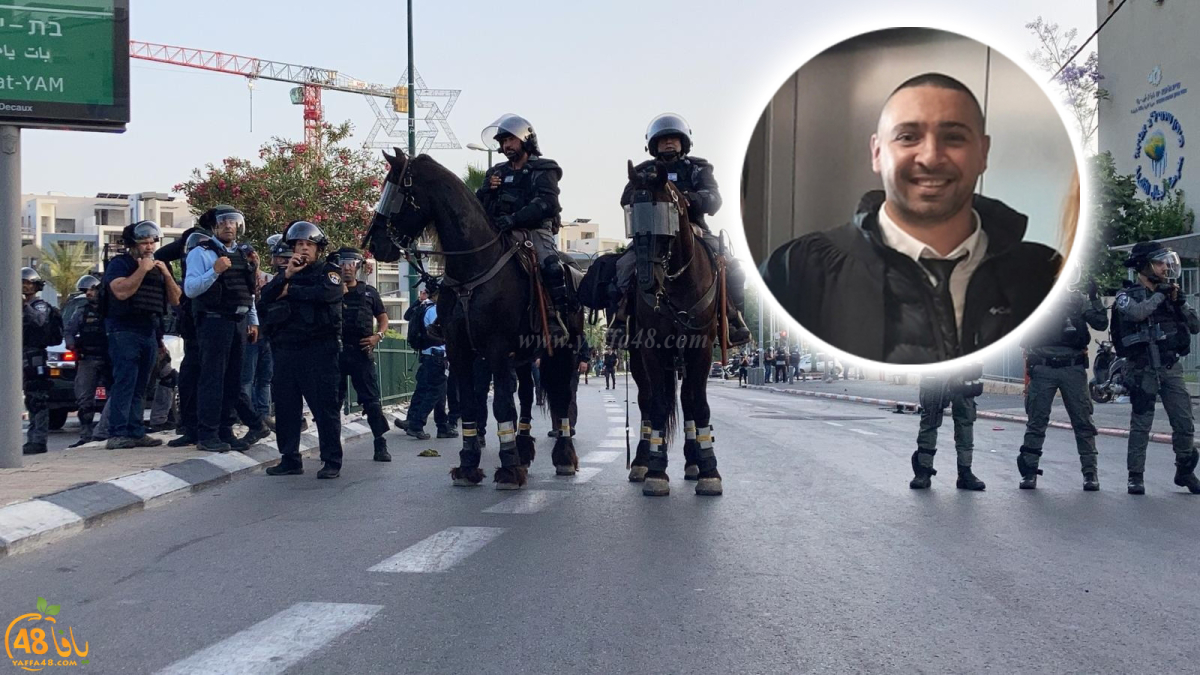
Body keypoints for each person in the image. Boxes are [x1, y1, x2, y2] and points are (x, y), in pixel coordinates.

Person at [759, 72, 1060, 364]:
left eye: (953, 138)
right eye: (907, 137)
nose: (930, 157)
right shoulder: (797, 271)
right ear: (877, 153)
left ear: (983, 153)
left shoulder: (1045, 276)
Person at [611, 113, 751, 347]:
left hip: (695, 230)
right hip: (653, 234)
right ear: (653, 145)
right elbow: (626, 199)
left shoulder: (698, 168)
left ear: (683, 142)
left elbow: (714, 198)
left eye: (673, 138)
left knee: (734, 268)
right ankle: (620, 320)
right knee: (622, 267)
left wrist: (689, 199)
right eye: (663, 139)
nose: (668, 142)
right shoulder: (643, 171)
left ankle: (733, 319)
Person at [1113, 241, 1200, 495]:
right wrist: (1161, 295)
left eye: (1165, 262)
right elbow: (1138, 313)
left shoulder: (1171, 293)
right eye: (1159, 262)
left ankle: (1185, 470)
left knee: (1184, 422)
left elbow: (1195, 326)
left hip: (1170, 367)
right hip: (1142, 369)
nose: (1164, 267)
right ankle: (1135, 476)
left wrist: (1180, 303)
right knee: (1141, 424)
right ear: (1144, 265)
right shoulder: (1126, 295)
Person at [259, 221, 345, 479]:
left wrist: (292, 290)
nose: (304, 248)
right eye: (299, 244)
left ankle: (331, 460)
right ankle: (290, 459)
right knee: (286, 408)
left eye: (309, 244)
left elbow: (327, 294)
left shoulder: (329, 272)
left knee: (324, 408)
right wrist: (286, 276)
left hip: (319, 350)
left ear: (318, 249)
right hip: (286, 350)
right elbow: (265, 298)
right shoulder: (286, 274)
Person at [476, 113, 570, 339]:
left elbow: (547, 203)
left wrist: (515, 218)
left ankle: (556, 316)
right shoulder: (496, 172)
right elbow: (480, 207)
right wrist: (485, 190)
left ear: (525, 140)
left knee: (551, 265)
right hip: (499, 230)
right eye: (503, 141)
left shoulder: (544, 168)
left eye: (511, 140)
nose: (506, 145)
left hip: (533, 230)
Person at [184, 205, 270, 452]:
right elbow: (190, 289)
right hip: (214, 321)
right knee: (213, 379)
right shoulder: (201, 253)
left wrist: (252, 320)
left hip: (239, 322)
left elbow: (247, 291)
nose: (229, 226)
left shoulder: (243, 254)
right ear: (214, 226)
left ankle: (225, 430)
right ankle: (207, 434)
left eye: (233, 222)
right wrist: (214, 271)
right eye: (223, 222)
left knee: (233, 381)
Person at [1017, 270, 1107, 490]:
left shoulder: (1077, 300)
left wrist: (1095, 298)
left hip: (1072, 367)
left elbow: (1101, 323)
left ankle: (1090, 473)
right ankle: (1029, 472)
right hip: (1044, 366)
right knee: (1037, 422)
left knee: (1083, 422)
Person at [102, 221, 181, 449]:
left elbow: (176, 299)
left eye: (152, 242)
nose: (149, 247)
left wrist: (166, 274)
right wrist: (142, 269)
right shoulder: (120, 264)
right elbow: (121, 291)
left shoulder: (159, 266)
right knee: (125, 382)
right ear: (132, 244)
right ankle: (117, 433)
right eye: (144, 243)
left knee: (142, 385)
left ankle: (136, 431)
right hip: (123, 330)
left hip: (149, 331)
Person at [332, 247, 393, 461]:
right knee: (332, 403)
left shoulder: (369, 292)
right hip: (336, 353)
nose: (347, 267)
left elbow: (383, 317)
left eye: (351, 263)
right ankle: (331, 450)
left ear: (358, 266)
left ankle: (380, 444)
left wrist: (378, 336)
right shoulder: (329, 290)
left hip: (361, 352)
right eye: (342, 263)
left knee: (372, 402)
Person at [158, 224, 208, 448]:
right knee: (188, 380)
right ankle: (190, 428)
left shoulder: (214, 255)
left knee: (211, 380)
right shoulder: (190, 250)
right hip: (191, 326)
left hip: (212, 326)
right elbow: (160, 255)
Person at [910, 367, 986, 491]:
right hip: (935, 374)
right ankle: (923, 471)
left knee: (965, 421)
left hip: (963, 374)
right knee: (930, 420)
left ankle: (965, 472)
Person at [396, 284, 451, 440]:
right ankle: (417, 424)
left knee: (434, 391)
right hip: (437, 355)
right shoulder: (435, 311)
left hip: (428, 355)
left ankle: (442, 426)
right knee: (434, 392)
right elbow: (439, 333)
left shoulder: (425, 308)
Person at [21, 267, 61, 455]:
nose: (25, 286)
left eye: (28, 283)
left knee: (37, 398)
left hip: (34, 354)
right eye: (22, 283)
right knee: (28, 400)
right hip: (17, 353)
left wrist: (24, 306)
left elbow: (39, 321)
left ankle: (38, 440)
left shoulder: (39, 305)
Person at [64, 275, 107, 447]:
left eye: (92, 290)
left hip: (107, 359)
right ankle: (86, 435)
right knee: (84, 400)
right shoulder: (81, 312)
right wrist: (71, 345)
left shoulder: (109, 310)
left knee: (114, 397)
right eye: (86, 291)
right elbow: (69, 331)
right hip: (87, 359)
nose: (88, 293)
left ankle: (106, 431)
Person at [242, 236, 277, 429]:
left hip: (267, 334)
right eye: (248, 255)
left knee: (265, 378)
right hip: (248, 336)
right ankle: (247, 415)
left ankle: (264, 413)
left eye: (253, 254)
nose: (252, 258)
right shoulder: (240, 278)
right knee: (247, 378)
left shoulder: (268, 279)